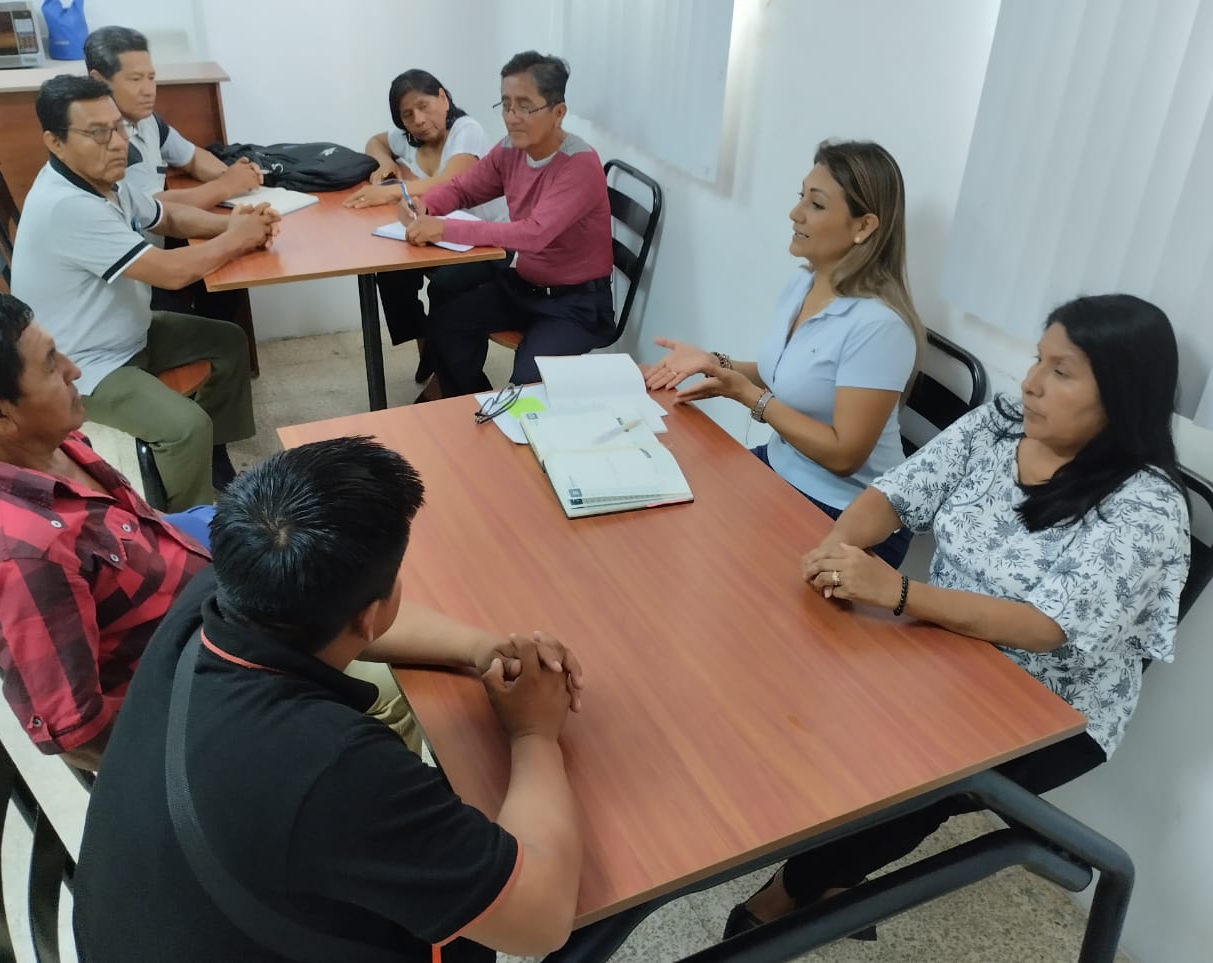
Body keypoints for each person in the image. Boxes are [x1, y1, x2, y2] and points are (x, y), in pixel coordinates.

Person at [724, 294, 1190, 939]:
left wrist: (900, 594)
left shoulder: (1148, 508)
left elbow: (1046, 627)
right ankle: (818, 872)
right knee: (796, 672)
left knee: (913, 782)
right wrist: (838, 549)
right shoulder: (1001, 425)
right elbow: (895, 495)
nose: (1031, 382)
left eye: (1061, 371)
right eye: (1037, 360)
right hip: (941, 646)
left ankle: (792, 892)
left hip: (1049, 705)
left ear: (1121, 394)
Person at [73, 436, 585, 961]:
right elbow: (541, 922)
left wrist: (481, 649)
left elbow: (350, 620)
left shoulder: (217, 596)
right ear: (370, 612)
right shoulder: (333, 765)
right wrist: (533, 734)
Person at [0, 287, 212, 771]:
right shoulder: (22, 557)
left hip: (173, 569)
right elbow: (83, 737)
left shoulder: (36, 444)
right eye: (49, 366)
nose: (74, 370)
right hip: (192, 677)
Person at [644, 140, 924, 568]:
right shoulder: (802, 285)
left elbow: (845, 456)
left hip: (845, 515)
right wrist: (713, 363)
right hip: (779, 470)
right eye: (801, 197)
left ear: (864, 226)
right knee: (670, 523)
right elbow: (787, 375)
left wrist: (749, 397)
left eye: (816, 204)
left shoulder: (880, 327)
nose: (796, 213)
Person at [10, 74, 278, 512]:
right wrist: (238, 237)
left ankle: (214, 461)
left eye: (119, 128)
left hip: (129, 331)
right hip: (88, 363)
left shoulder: (101, 180)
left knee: (229, 342)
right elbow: (172, 273)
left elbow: (167, 218)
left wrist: (237, 225)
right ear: (55, 143)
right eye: (98, 133)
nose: (118, 143)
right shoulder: (67, 206)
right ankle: (187, 525)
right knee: (184, 427)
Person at [398, 51, 614, 399]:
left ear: (558, 112)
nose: (512, 117)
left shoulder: (580, 164)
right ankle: (473, 403)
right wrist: (425, 205)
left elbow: (533, 233)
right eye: (506, 104)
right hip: (524, 287)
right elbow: (465, 187)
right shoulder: (511, 148)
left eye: (525, 107)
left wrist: (444, 228)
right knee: (446, 324)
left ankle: (499, 413)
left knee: (526, 384)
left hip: (573, 305)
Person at [83, 25, 264, 338]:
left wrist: (232, 176)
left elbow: (191, 156)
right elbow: (158, 208)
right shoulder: (111, 144)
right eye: (135, 79)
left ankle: (219, 346)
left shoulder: (147, 121)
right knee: (219, 294)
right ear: (99, 81)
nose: (148, 90)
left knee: (228, 277)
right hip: (136, 275)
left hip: (159, 251)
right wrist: (227, 187)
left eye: (151, 78)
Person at [344, 68, 507, 384]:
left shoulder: (466, 130)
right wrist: (386, 162)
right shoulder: (407, 139)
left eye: (424, 106)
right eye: (407, 115)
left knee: (444, 285)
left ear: (443, 98)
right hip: (439, 237)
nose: (418, 120)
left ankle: (442, 362)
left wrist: (390, 191)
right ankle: (427, 349)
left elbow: (451, 181)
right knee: (391, 272)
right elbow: (375, 141)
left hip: (485, 242)